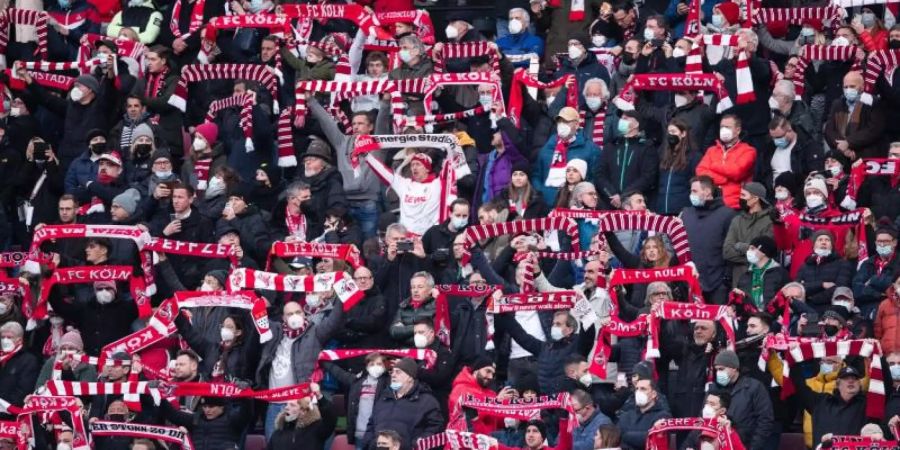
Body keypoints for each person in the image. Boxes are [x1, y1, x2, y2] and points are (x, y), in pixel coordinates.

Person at [361, 358, 444, 449]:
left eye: (398, 372)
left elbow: (434, 431)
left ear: (410, 377)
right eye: (392, 372)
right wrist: (373, 444)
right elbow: (371, 426)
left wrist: (408, 446)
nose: (393, 375)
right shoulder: (383, 399)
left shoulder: (427, 402)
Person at [681, 176, 736, 303]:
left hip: (718, 284)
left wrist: (726, 278)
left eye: (694, 191)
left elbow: (731, 246)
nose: (691, 195)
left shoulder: (727, 214)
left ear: (707, 192)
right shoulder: (686, 214)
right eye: (691, 191)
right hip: (690, 282)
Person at [711, 350, 775, 450]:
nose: (718, 373)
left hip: (745, 444)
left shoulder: (754, 387)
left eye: (721, 369)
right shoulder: (714, 389)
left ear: (734, 368)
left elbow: (765, 421)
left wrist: (753, 447)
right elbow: (703, 418)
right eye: (717, 370)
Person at [695, 115, 757, 210]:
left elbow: (736, 171)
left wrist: (713, 165)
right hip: (712, 204)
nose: (723, 130)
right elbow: (700, 171)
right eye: (722, 127)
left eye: (727, 127)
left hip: (734, 205)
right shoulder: (711, 150)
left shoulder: (748, 151)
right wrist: (723, 178)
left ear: (738, 130)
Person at [723, 183, 775, 286]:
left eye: (743, 195)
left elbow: (764, 253)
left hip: (761, 279)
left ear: (755, 198)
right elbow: (727, 252)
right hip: (739, 280)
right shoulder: (737, 220)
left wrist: (740, 246)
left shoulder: (769, 221)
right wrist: (751, 253)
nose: (740, 198)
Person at [616, 378, 672, 450]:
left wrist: (626, 435)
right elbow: (616, 437)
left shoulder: (662, 416)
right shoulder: (626, 415)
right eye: (636, 389)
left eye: (643, 389)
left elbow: (652, 440)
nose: (638, 392)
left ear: (653, 394)